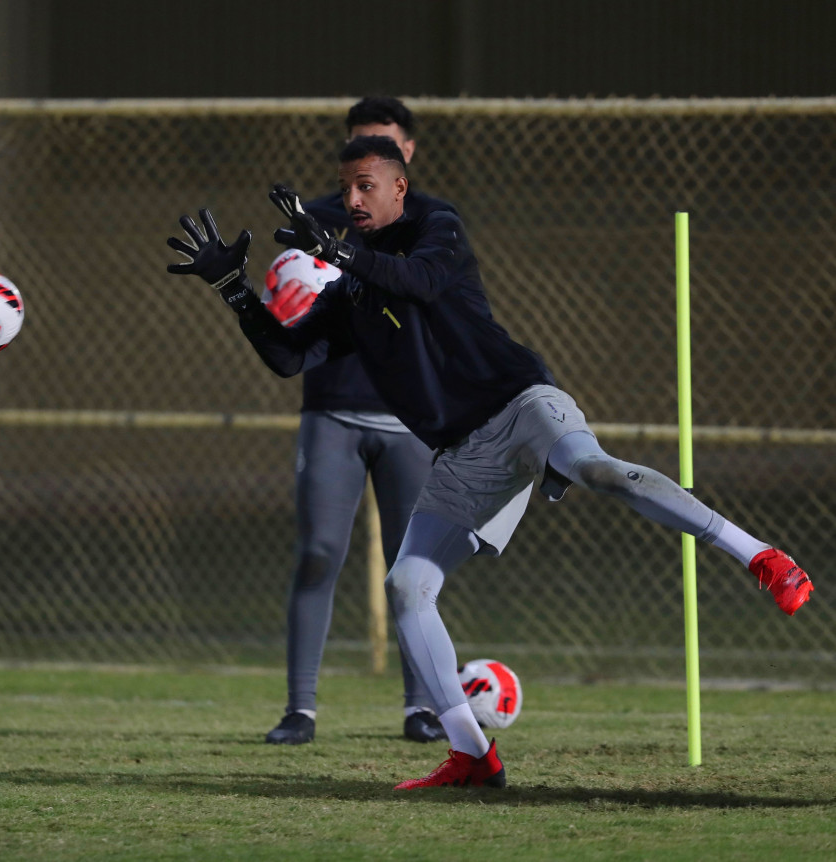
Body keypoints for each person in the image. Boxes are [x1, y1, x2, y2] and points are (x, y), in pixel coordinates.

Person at [167, 136, 814, 790]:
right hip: (462, 453)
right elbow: (287, 357)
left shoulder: (435, 225)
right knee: (407, 588)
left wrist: (337, 250)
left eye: (366, 185)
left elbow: (418, 283)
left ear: (399, 185)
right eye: (346, 187)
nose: (352, 198)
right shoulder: (350, 295)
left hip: (522, 404)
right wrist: (233, 287)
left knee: (596, 470)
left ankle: (762, 556)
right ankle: (472, 753)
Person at [256, 98, 456, 746]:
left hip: (408, 420)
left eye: (383, 142)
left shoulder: (432, 224)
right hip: (331, 413)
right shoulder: (313, 218)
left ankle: (422, 707)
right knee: (317, 553)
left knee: (413, 569)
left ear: (407, 157)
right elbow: (292, 313)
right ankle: (300, 710)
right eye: (358, 143)